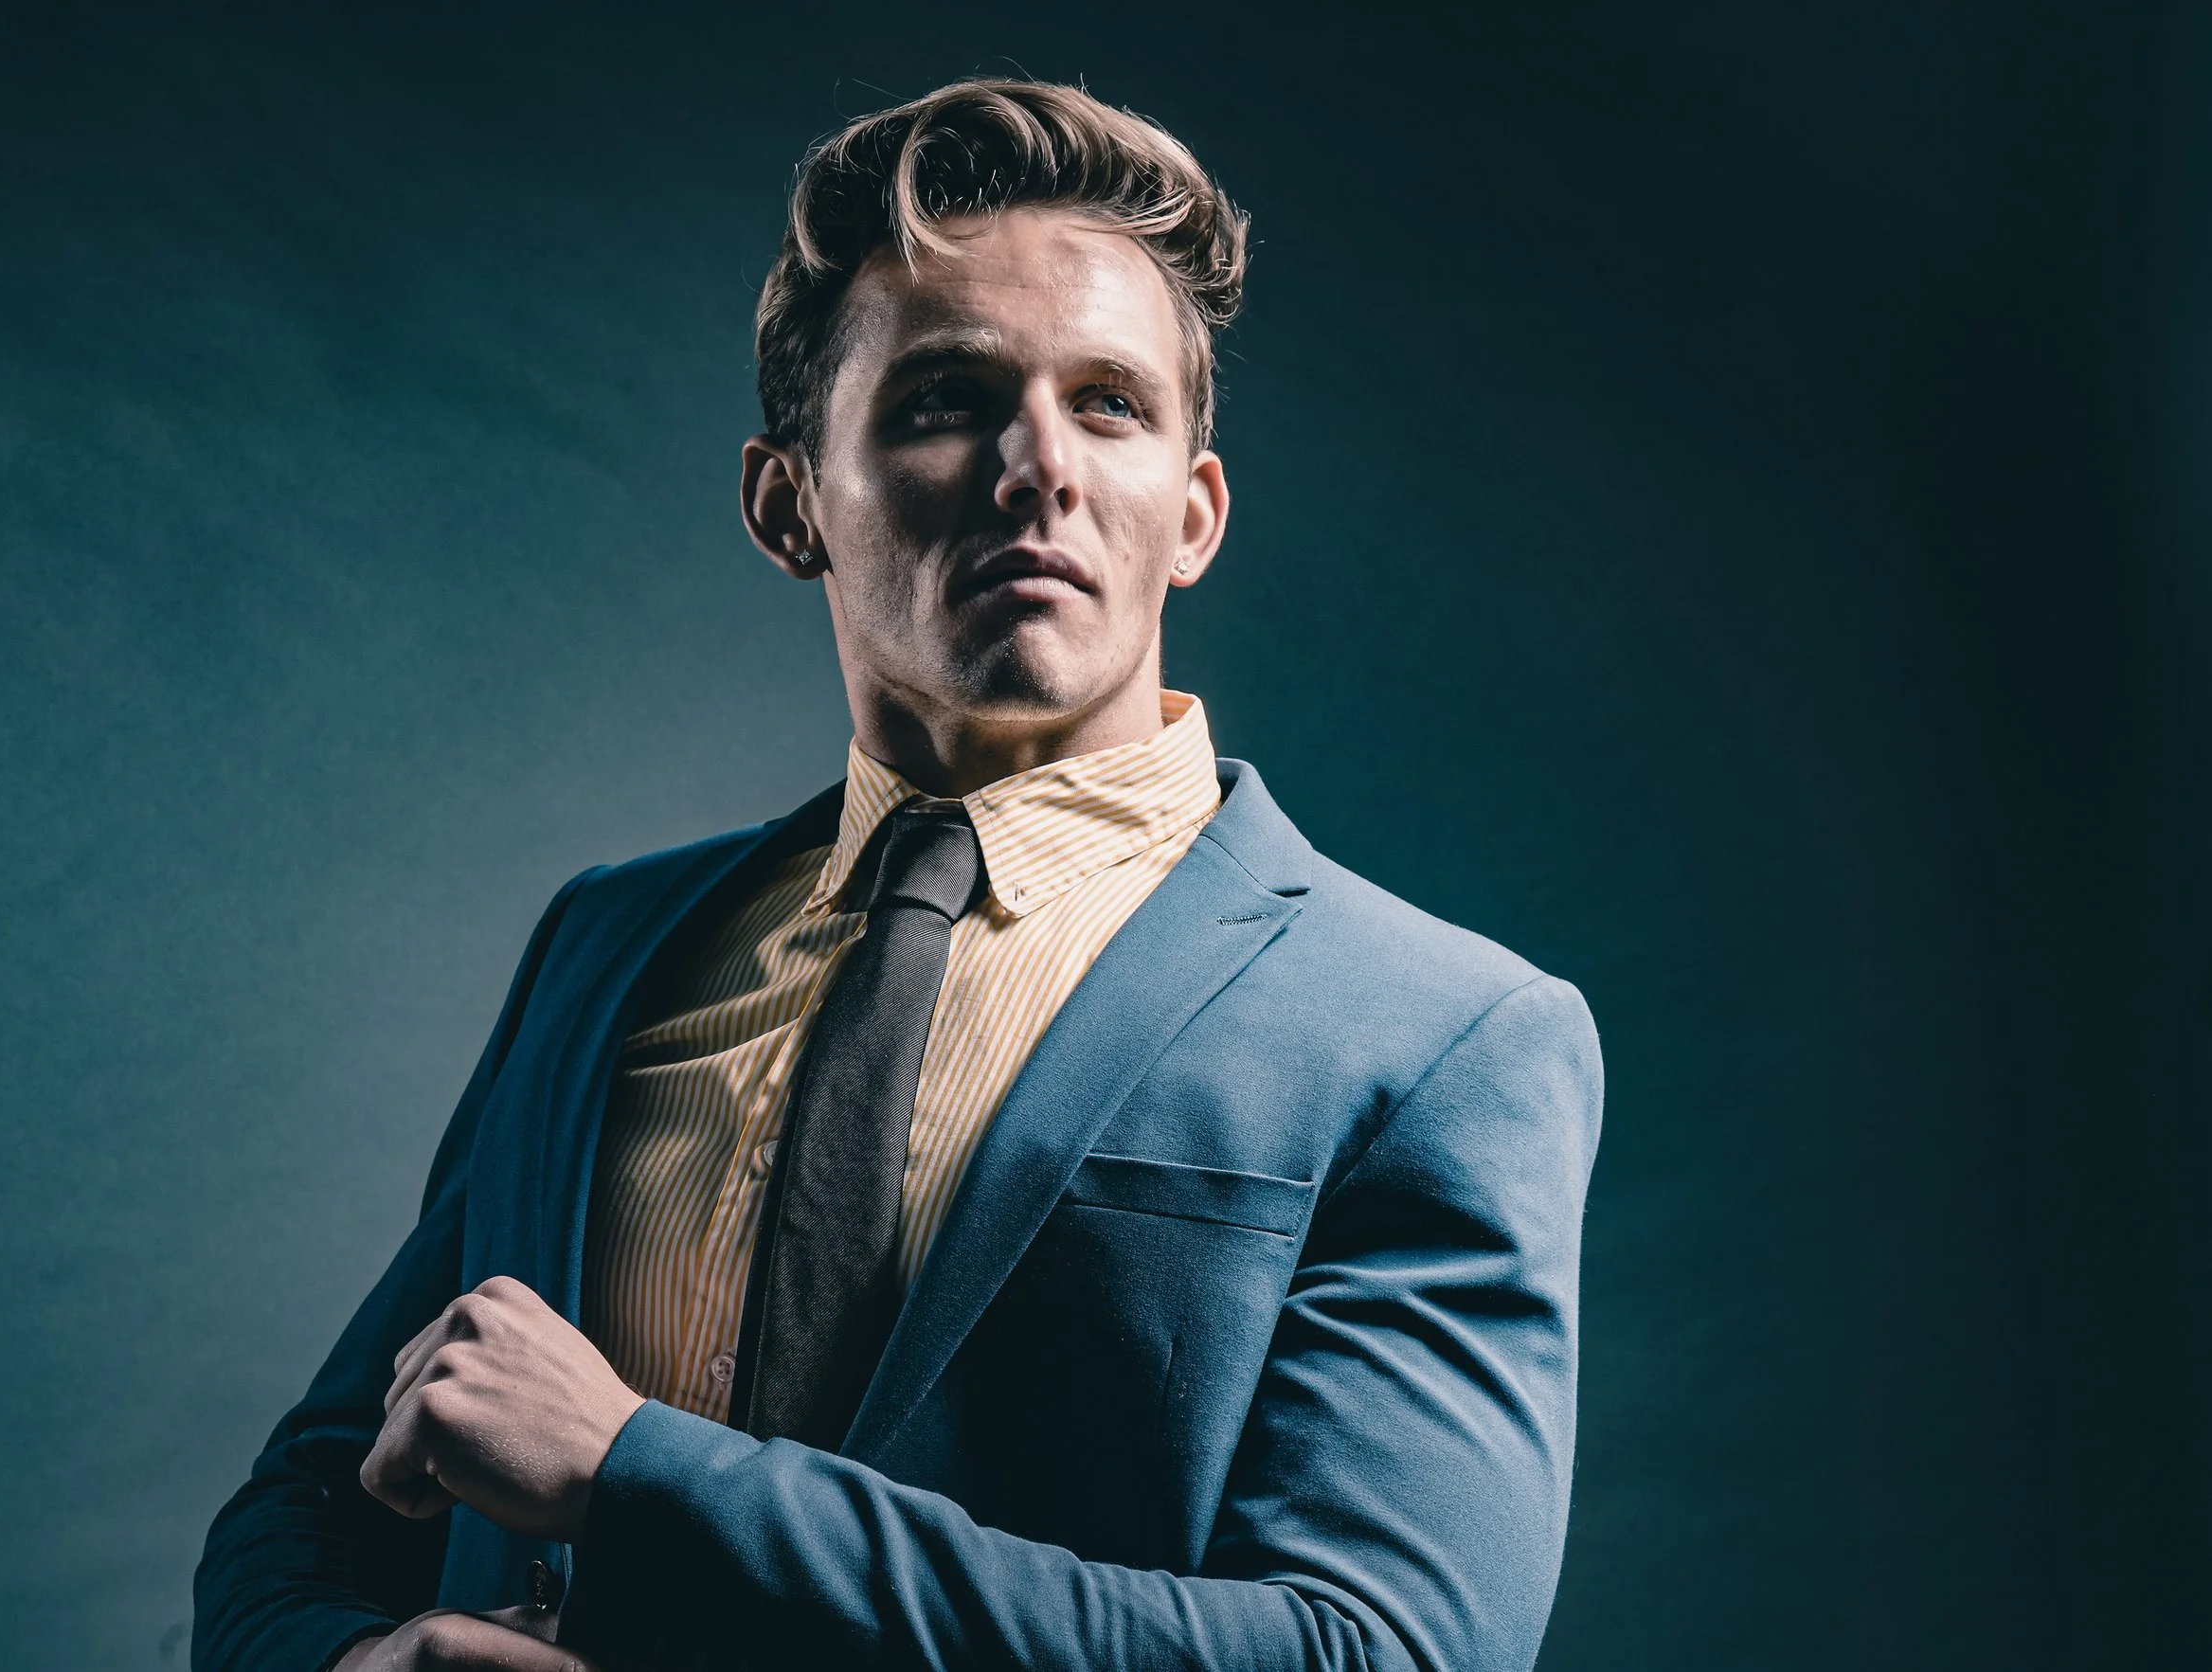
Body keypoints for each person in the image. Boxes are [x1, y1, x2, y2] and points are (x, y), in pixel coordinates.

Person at [193, 78, 1603, 1672]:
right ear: (788, 502)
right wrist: (345, 1662)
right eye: (946, 397)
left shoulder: (1437, 1039)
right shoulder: (607, 945)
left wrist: (637, 1474)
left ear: (1194, 515)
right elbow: (314, 1497)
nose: (1039, 466)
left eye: (1111, 406)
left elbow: (1375, 1652)